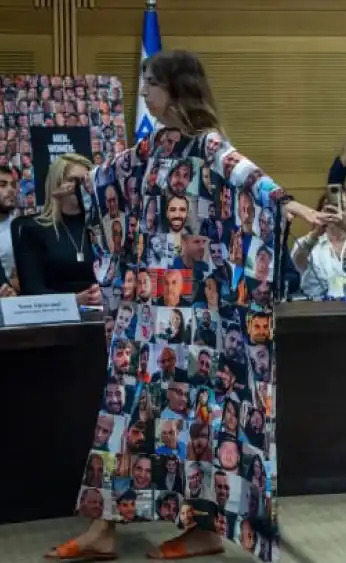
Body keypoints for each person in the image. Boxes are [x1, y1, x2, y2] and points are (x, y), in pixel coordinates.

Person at [45, 50, 323, 562]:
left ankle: (203, 529)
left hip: (199, 318)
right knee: (125, 408)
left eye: (152, 83)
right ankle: (102, 528)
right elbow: (107, 179)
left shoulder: (208, 145)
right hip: (147, 313)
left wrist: (288, 203)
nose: (145, 92)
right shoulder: (152, 147)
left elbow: (247, 177)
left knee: (203, 420)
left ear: (177, 89)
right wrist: (77, 191)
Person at [12, 154, 102, 305]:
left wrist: (105, 293)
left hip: (100, 315)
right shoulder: (33, 229)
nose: (80, 187)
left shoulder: (100, 229)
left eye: (85, 181)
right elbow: (31, 289)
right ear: (57, 184)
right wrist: (73, 301)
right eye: (73, 180)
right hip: (54, 316)